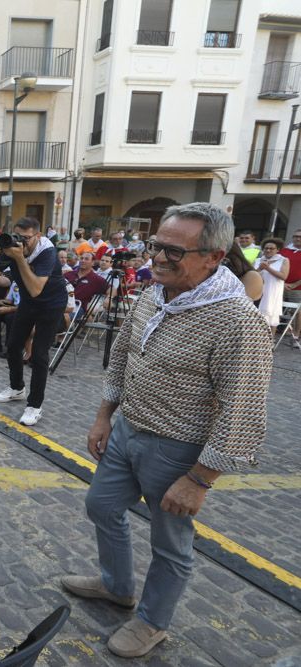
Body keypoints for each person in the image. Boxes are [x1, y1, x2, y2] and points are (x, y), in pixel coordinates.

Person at [62, 202, 272, 659]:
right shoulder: (157, 293)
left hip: (178, 451)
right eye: (156, 246)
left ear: (214, 257)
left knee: (170, 544)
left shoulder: (237, 320)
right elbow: (122, 354)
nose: (158, 258)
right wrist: (104, 416)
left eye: (174, 252)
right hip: (127, 432)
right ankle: (117, 586)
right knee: (101, 505)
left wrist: (198, 480)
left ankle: (152, 622)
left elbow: (244, 411)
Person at [0, 216, 68, 426]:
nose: (23, 242)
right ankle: (17, 388)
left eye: (27, 238)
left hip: (51, 305)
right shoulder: (14, 249)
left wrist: (19, 259)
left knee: (38, 355)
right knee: (12, 346)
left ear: (38, 236)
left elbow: (36, 289)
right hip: (28, 303)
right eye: (19, 237)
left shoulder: (48, 253)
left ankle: (34, 406)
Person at [255, 237, 290, 335]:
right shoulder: (258, 260)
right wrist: (259, 268)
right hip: (258, 291)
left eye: (271, 248)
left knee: (272, 317)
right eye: (266, 248)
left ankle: (271, 342)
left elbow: (283, 276)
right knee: (257, 316)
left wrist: (268, 268)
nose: (268, 250)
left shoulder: (283, 260)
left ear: (277, 249)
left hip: (273, 291)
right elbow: (252, 275)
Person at [64, 252, 107, 316]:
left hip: (78, 307)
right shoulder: (68, 274)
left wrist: (109, 298)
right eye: (81, 258)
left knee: (62, 317)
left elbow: (111, 289)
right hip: (62, 303)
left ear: (93, 263)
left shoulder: (96, 279)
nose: (83, 261)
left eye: (86, 259)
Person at [280, 230, 301, 303]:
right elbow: (275, 268)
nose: (298, 239)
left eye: (300, 237)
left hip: (298, 290)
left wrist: (294, 285)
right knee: (277, 311)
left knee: (297, 312)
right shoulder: (283, 251)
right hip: (280, 286)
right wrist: (283, 283)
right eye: (296, 236)